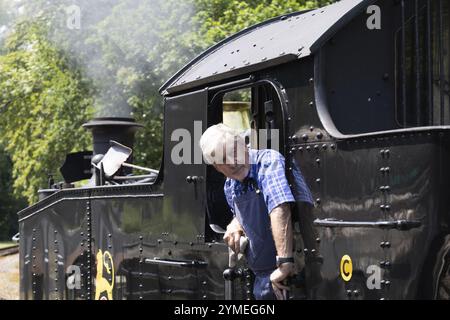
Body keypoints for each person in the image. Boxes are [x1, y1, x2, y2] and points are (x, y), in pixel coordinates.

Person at [199, 123, 313, 300]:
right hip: (262, 281)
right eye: (223, 159)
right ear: (216, 168)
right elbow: (246, 214)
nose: (232, 162)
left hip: (292, 275)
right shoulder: (230, 186)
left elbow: (279, 206)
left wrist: (284, 263)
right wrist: (235, 225)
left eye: (233, 151)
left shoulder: (267, 162)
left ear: (243, 143)